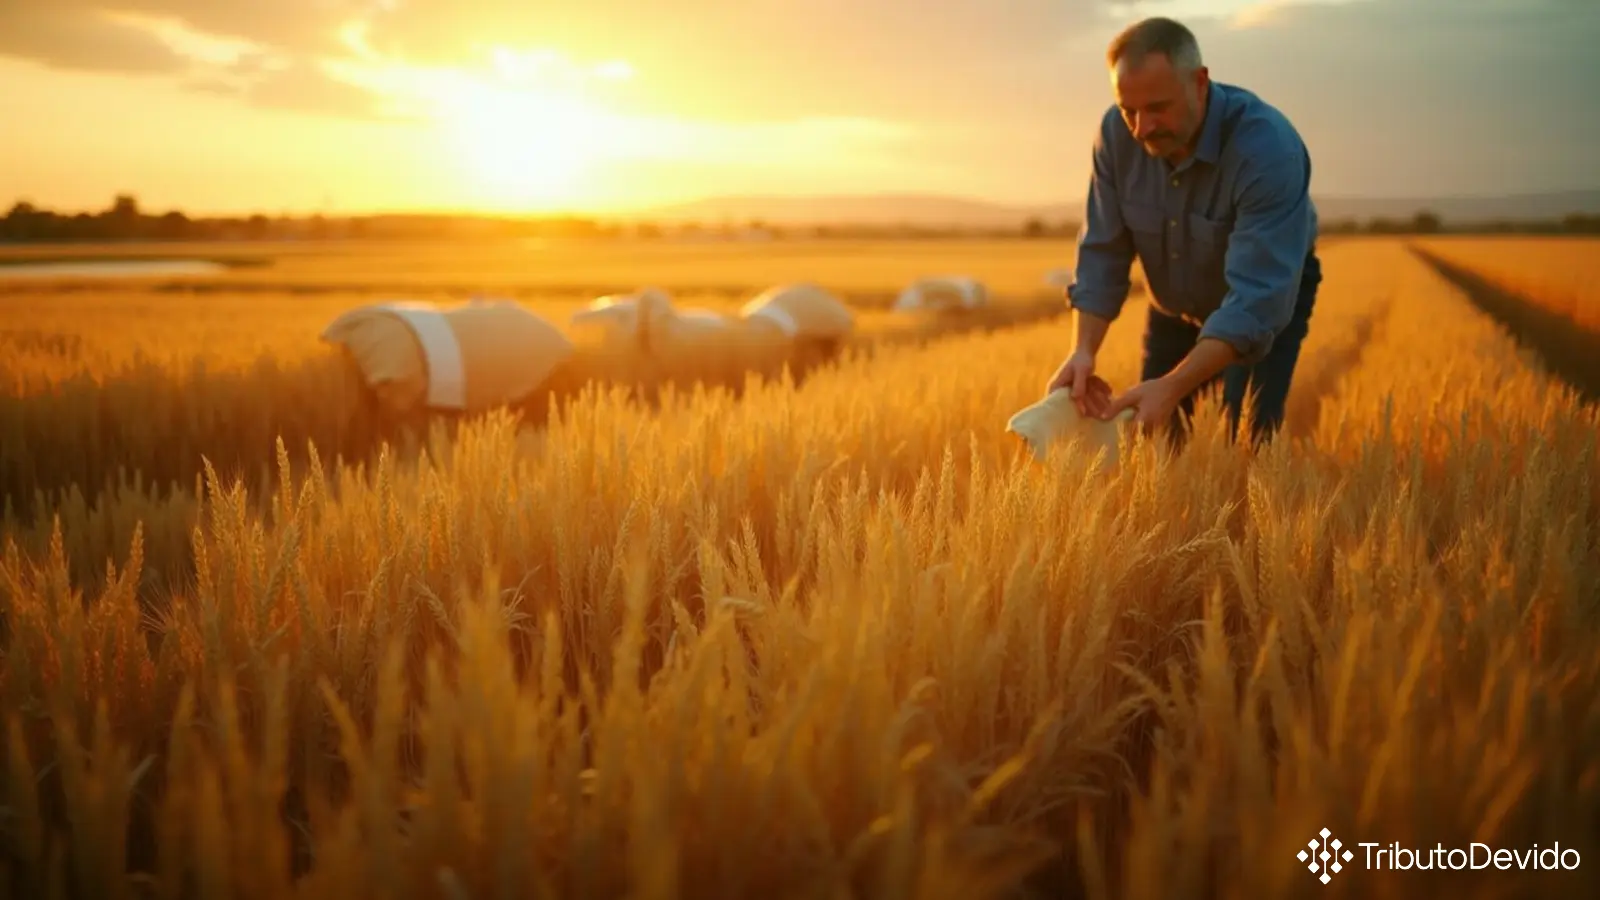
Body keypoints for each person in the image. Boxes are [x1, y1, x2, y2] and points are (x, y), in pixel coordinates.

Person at [1046, 16, 1323, 449]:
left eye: (1157, 108)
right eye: (1128, 110)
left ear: (1200, 82)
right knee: (1156, 442)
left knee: (1245, 441)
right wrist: (1082, 350)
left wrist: (1174, 385)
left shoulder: (1268, 150)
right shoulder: (1115, 135)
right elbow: (1104, 251)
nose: (1141, 128)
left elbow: (1255, 303)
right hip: (1172, 305)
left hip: (1265, 300)